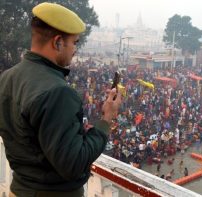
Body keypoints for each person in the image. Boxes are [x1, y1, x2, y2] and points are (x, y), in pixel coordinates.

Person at [0, 2, 122, 197]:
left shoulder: (7, 77)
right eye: (74, 43)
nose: (75, 50)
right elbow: (73, 163)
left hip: (19, 188)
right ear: (57, 42)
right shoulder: (58, 91)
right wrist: (106, 119)